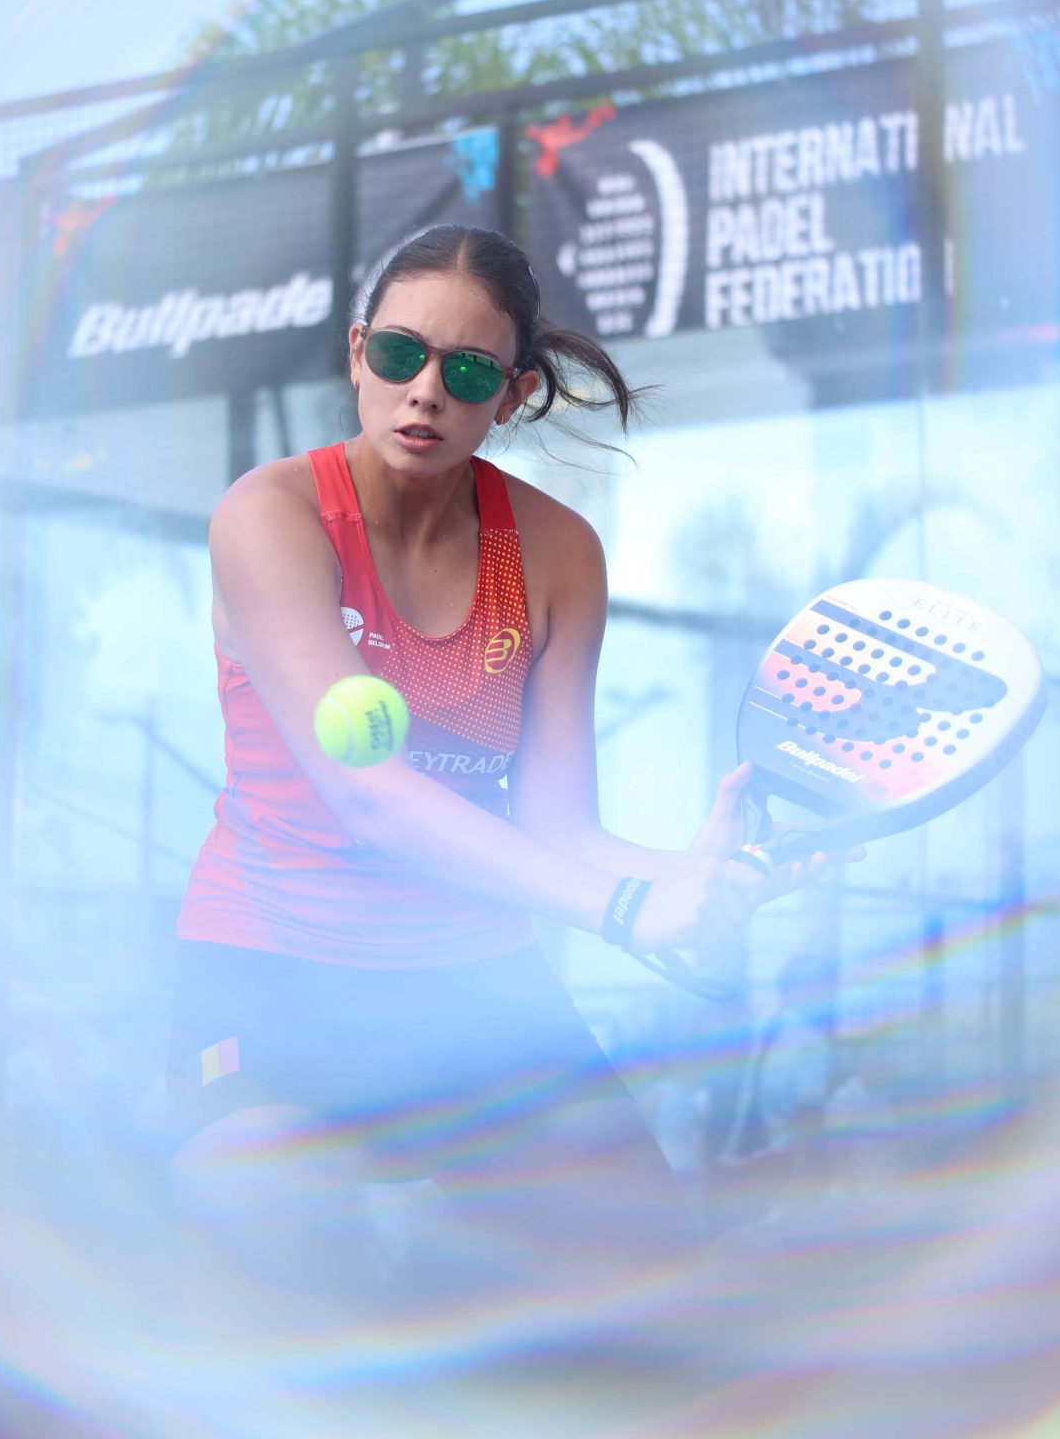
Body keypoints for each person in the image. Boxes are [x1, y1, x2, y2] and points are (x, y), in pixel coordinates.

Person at [167, 223, 828, 1340]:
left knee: (663, 1296)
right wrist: (632, 909)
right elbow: (370, 798)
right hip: (274, 975)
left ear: (512, 395)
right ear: (358, 353)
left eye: (468, 371)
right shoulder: (269, 517)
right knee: (279, 1253)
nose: (425, 390)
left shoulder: (559, 553)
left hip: (473, 986)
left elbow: (559, 824)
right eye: (399, 355)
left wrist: (689, 874)